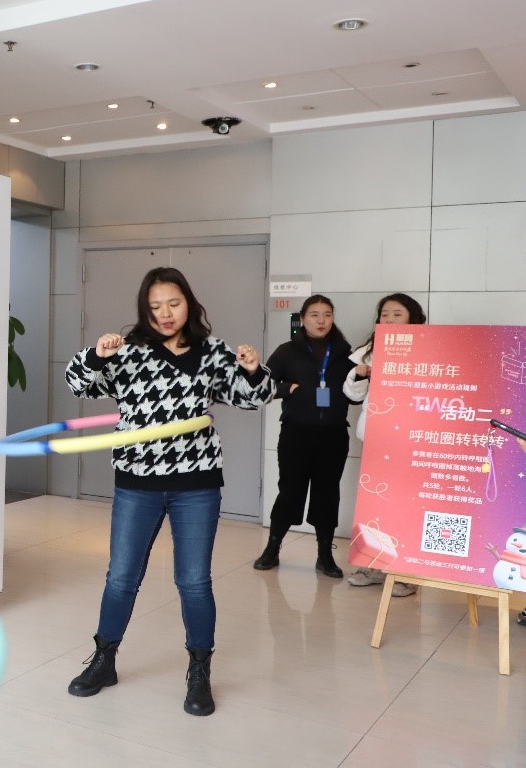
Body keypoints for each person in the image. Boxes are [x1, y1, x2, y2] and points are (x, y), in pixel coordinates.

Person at [64, 266, 274, 717]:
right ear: (145, 310)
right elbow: (77, 383)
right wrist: (98, 355)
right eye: (155, 306)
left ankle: (199, 671)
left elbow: (255, 397)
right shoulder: (127, 352)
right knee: (121, 577)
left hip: (196, 484)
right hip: (137, 482)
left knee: (193, 581)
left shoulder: (213, 352)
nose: (165, 313)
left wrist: (254, 370)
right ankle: (104, 659)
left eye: (173, 303)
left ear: (189, 304)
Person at [253, 295, 354, 577]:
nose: (321, 320)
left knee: (327, 494)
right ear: (302, 319)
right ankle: (272, 548)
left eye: (327, 314)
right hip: (296, 433)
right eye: (314, 315)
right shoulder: (287, 351)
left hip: (334, 435)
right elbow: (263, 385)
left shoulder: (346, 353)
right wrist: (287, 389)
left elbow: (355, 395)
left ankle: (325, 556)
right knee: (290, 491)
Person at [342, 293, 427, 596]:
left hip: (411, 441)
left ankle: (405, 573)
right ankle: (373, 566)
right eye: (385, 314)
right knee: (374, 504)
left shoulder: (428, 348)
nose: (389, 319)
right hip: (377, 438)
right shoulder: (369, 351)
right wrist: (359, 375)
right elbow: (352, 395)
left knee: (406, 505)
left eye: (397, 314)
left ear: (413, 318)